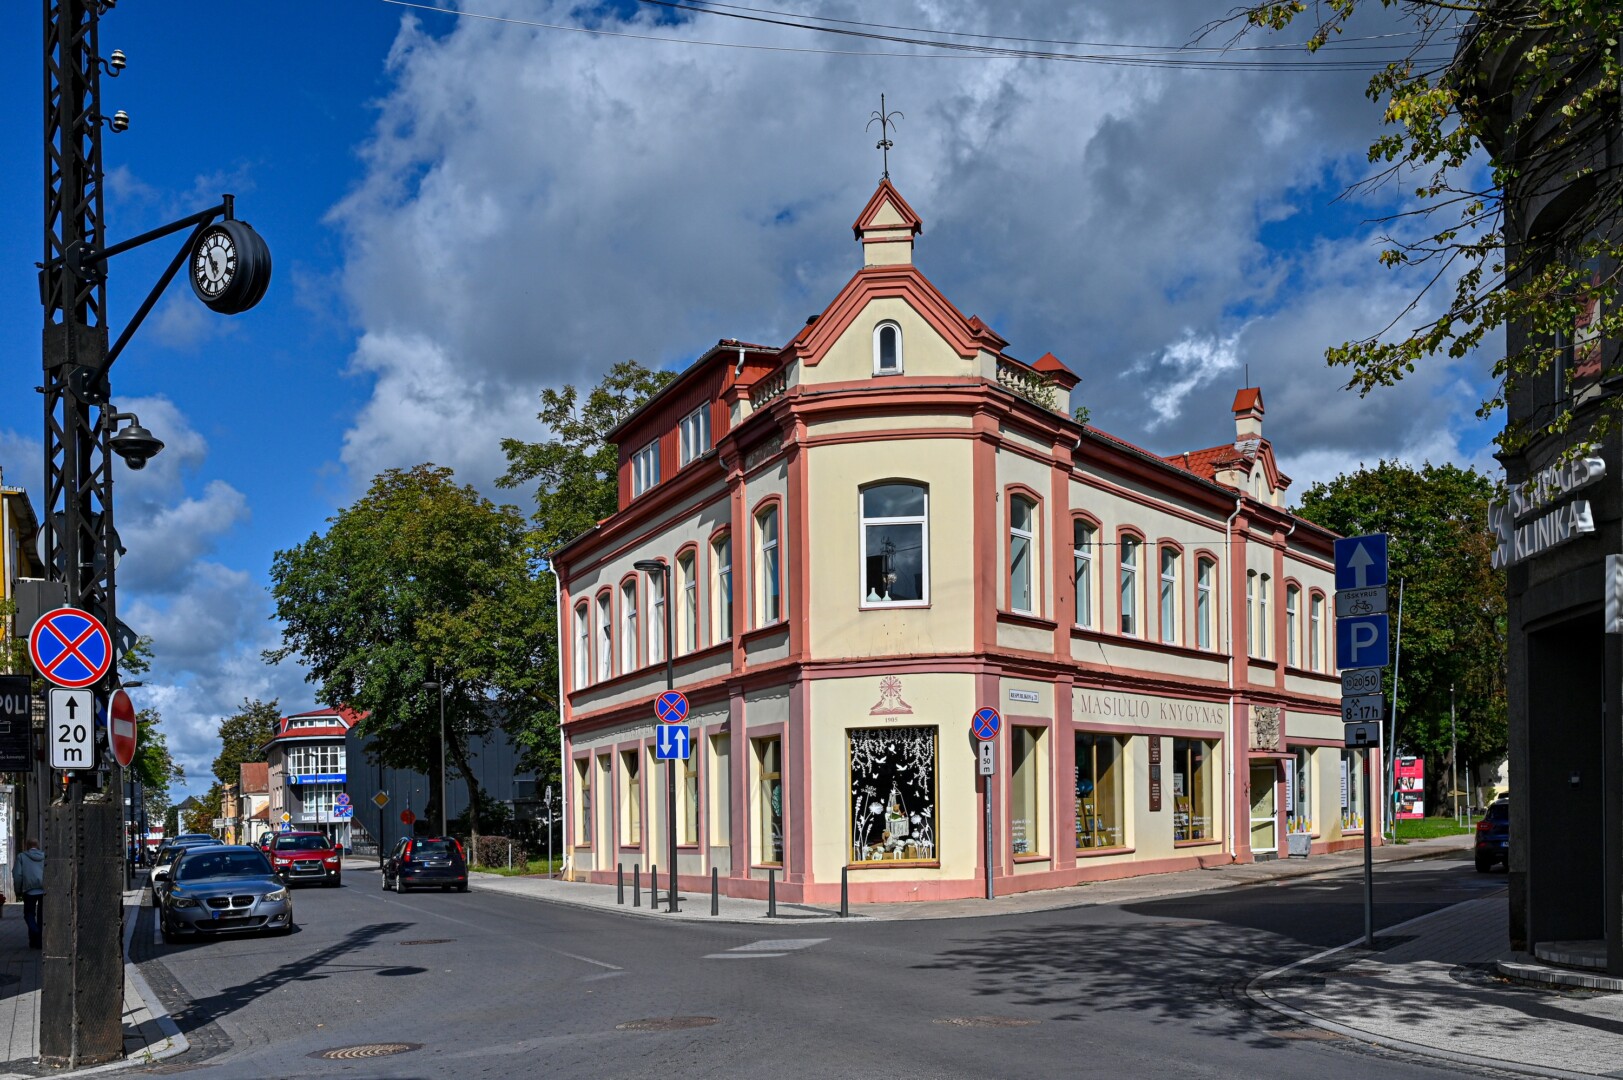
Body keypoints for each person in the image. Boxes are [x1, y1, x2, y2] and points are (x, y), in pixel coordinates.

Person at [13, 839, 45, 949]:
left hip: (29, 891)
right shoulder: (45, 856)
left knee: (29, 914)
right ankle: (39, 942)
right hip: (43, 890)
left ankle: (34, 934)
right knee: (42, 916)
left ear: (27, 845)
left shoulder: (21, 857)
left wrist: (18, 890)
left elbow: (17, 875)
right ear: (38, 845)